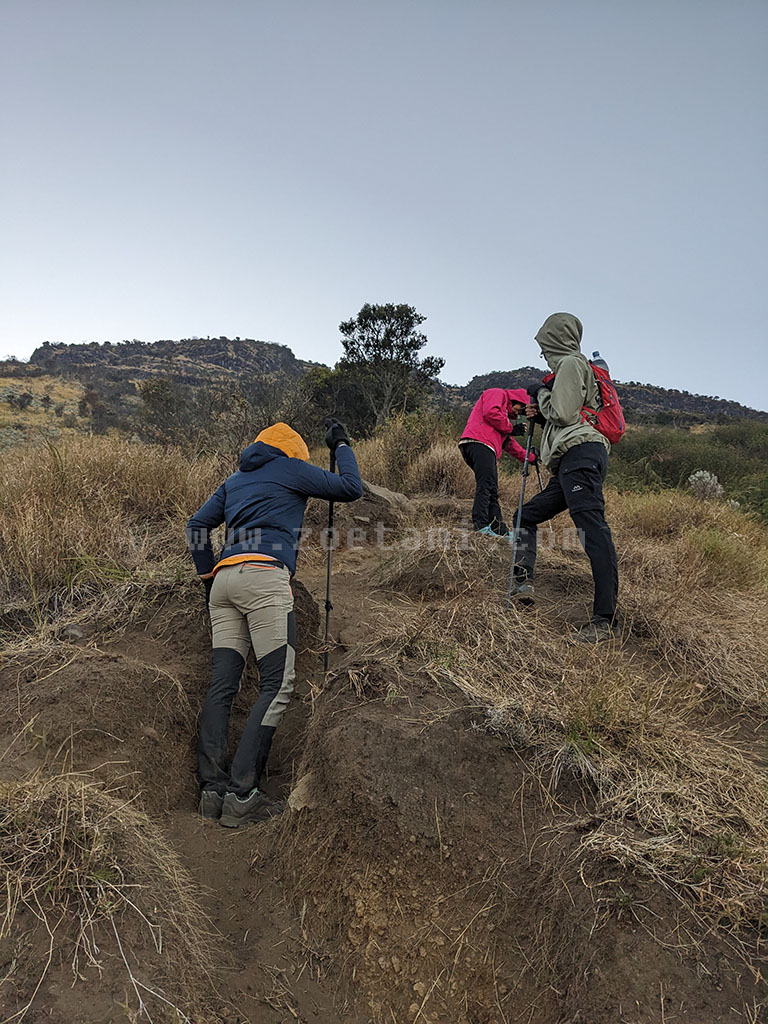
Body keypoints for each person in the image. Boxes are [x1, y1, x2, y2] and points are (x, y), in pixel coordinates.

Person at [186, 419, 362, 827]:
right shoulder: (291, 468)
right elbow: (351, 488)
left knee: (223, 684)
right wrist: (341, 444)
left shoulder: (235, 478)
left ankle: (211, 790)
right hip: (264, 578)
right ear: (294, 452)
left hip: (224, 584)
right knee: (277, 683)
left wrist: (206, 574)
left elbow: (196, 526)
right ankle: (243, 793)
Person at [509, 313, 619, 643]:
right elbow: (564, 417)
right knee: (524, 515)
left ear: (555, 340)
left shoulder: (571, 363)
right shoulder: (571, 370)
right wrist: (542, 412)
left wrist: (541, 396)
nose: (542, 353)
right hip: (571, 460)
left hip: (581, 456)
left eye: (544, 346)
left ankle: (605, 621)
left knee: (592, 528)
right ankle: (522, 583)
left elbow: (563, 414)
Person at [459, 388, 537, 536]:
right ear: (516, 400)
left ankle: (500, 530)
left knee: (492, 490)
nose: (518, 413)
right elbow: (490, 412)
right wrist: (510, 428)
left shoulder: (503, 420)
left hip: (486, 447)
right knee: (486, 485)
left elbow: (509, 444)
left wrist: (531, 458)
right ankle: (480, 525)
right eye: (520, 408)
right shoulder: (497, 393)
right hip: (479, 442)